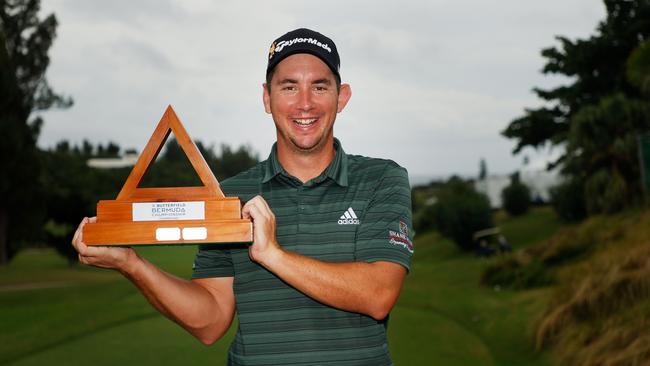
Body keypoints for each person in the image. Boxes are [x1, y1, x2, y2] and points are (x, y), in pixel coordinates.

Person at [72, 28, 414, 365]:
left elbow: (378, 294)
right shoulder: (230, 196)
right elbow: (210, 321)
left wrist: (272, 255)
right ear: (267, 98)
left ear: (342, 96)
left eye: (320, 86)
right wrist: (130, 264)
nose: (305, 103)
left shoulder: (382, 179)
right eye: (289, 86)